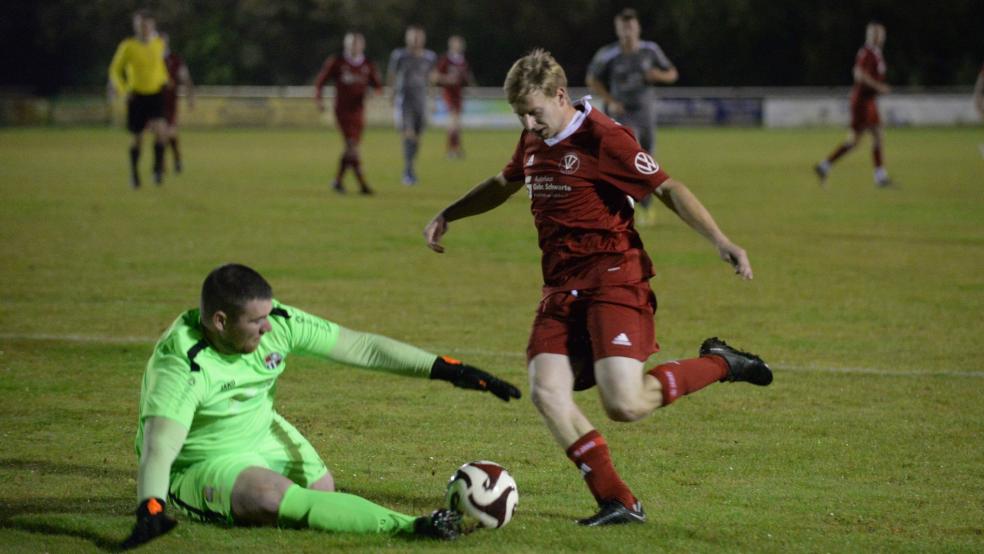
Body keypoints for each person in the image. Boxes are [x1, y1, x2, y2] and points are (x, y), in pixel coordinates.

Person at [423, 50, 772, 527]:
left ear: (561, 96)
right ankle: (619, 500)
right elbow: (504, 182)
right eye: (520, 114)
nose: (528, 122)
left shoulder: (604, 138)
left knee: (624, 404)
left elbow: (668, 188)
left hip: (615, 279)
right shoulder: (531, 137)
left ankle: (721, 363)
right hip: (561, 289)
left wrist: (721, 240)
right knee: (547, 392)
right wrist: (449, 214)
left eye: (535, 112)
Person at [121, 263, 520, 549]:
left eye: (268, 315)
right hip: (202, 460)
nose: (270, 327)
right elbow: (160, 447)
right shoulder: (183, 365)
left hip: (262, 432)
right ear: (220, 322)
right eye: (256, 321)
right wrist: (151, 506)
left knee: (321, 495)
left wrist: (449, 370)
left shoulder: (278, 321)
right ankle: (419, 526)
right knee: (272, 500)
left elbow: (360, 346)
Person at [587, 8, 678, 226]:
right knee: (629, 157)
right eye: (623, 26)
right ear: (617, 29)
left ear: (638, 27)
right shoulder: (608, 53)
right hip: (622, 113)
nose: (627, 30)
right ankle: (621, 206)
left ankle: (646, 208)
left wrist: (659, 75)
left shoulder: (651, 50)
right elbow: (592, 79)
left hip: (646, 112)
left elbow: (672, 73)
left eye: (631, 26)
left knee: (648, 161)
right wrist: (610, 101)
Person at [814, 22, 892, 188]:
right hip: (862, 101)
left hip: (869, 100)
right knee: (856, 140)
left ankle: (880, 176)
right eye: (878, 34)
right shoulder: (867, 53)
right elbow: (858, 75)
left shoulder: (876, 53)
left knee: (877, 134)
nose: (882, 37)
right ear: (874, 36)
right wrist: (879, 87)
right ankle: (825, 165)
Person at [109, 10, 170, 189]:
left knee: (161, 131)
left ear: (153, 26)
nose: (144, 28)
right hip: (137, 95)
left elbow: (159, 66)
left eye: (148, 25)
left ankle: (157, 170)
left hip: (156, 93)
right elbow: (114, 70)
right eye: (141, 25)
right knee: (138, 138)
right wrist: (123, 90)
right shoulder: (128, 46)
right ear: (136, 26)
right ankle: (134, 174)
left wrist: (166, 80)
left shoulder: (159, 44)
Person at [315, 32, 382, 195]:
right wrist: (319, 100)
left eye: (357, 43)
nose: (354, 46)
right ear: (346, 45)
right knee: (352, 146)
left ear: (362, 45)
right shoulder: (337, 61)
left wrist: (373, 94)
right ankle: (363, 185)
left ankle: (337, 181)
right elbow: (320, 82)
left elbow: (378, 86)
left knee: (350, 148)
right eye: (351, 43)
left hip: (358, 112)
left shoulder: (368, 64)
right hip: (342, 111)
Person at [387, 25, 438, 186]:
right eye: (412, 37)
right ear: (407, 38)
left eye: (418, 37)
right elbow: (392, 75)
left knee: (417, 138)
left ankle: (411, 167)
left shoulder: (430, 57)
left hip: (421, 101)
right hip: (405, 101)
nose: (415, 40)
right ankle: (408, 171)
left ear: (423, 38)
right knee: (408, 134)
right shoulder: (399, 55)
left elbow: (432, 79)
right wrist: (391, 94)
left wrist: (433, 99)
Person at [434, 35, 477, 159]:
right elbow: (435, 76)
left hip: (458, 95)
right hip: (448, 94)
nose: (458, 46)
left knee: (457, 124)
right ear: (451, 45)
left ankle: (455, 149)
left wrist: (471, 87)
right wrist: (447, 79)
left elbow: (467, 76)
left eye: (460, 43)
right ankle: (452, 150)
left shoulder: (462, 60)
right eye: (456, 43)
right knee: (453, 122)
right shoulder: (446, 59)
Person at [161, 32, 194, 175]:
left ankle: (177, 158)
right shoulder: (151, 59)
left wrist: (190, 97)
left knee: (171, 134)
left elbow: (186, 79)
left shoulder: (175, 60)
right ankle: (160, 167)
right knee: (160, 134)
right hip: (154, 103)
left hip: (170, 103)